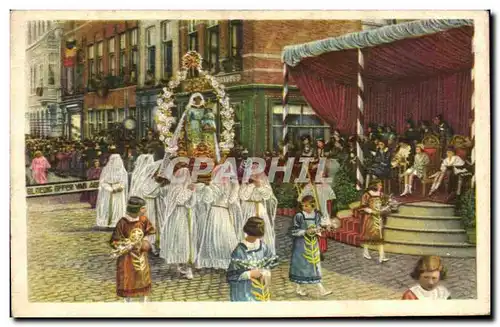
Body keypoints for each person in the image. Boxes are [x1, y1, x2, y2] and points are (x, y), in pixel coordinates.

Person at [196, 164, 242, 270]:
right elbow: (232, 201)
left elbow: (207, 200)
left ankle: (219, 258)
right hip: (223, 211)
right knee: (221, 234)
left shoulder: (214, 185)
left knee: (217, 235)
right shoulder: (229, 185)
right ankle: (222, 258)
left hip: (216, 211)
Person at [110, 196, 155, 303]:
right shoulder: (123, 222)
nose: (145, 210)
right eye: (143, 208)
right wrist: (125, 246)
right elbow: (114, 241)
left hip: (140, 256)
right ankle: (127, 303)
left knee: (142, 278)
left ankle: (144, 302)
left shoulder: (143, 220)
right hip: (127, 259)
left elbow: (150, 233)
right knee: (128, 279)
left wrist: (145, 243)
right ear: (136, 209)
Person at [226, 217, 279, 302]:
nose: (254, 239)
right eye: (252, 236)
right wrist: (249, 274)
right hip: (244, 289)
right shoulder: (239, 250)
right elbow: (231, 276)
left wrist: (265, 272)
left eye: (256, 237)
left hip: (260, 287)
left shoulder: (263, 247)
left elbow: (270, 262)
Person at [289, 195, 332, 297]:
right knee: (301, 266)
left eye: (307, 206)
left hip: (313, 244)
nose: (305, 208)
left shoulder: (316, 215)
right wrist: (305, 231)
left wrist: (319, 230)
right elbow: (293, 231)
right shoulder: (299, 216)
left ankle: (321, 289)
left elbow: (318, 226)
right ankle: (299, 288)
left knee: (314, 265)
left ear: (313, 205)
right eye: (303, 206)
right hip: (301, 245)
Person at [160, 167, 198, 280]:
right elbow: (180, 200)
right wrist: (189, 191)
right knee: (180, 239)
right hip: (178, 215)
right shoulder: (175, 188)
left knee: (187, 240)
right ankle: (183, 265)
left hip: (187, 214)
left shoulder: (186, 187)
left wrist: (192, 193)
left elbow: (192, 202)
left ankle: (185, 265)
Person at [239, 163, 278, 254]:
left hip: (259, 208)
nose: (255, 175)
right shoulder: (246, 183)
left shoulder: (263, 182)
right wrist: (252, 185)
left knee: (261, 229)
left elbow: (267, 196)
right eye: (252, 172)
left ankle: (263, 252)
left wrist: (259, 186)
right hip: (247, 208)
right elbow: (243, 196)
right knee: (247, 229)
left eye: (257, 172)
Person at [297, 172, 336, 261]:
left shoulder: (327, 187)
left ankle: (320, 251)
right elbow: (301, 201)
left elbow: (330, 202)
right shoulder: (308, 187)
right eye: (319, 176)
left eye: (323, 176)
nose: (321, 178)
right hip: (310, 214)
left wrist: (328, 215)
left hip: (323, 214)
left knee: (321, 232)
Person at [138, 160, 169, 255]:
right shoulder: (146, 181)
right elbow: (149, 192)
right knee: (152, 224)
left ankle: (161, 245)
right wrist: (159, 184)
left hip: (160, 206)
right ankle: (152, 245)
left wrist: (164, 185)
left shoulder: (157, 181)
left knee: (161, 223)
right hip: (150, 206)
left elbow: (163, 193)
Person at [359, 179, 390, 264]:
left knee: (380, 236)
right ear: (374, 185)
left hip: (379, 218)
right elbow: (363, 206)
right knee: (368, 235)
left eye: (381, 185)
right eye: (379, 185)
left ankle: (381, 255)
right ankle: (366, 251)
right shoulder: (367, 195)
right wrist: (371, 211)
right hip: (369, 218)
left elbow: (385, 204)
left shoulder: (381, 195)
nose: (381, 187)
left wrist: (385, 208)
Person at [95, 154, 128, 228]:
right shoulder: (106, 170)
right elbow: (102, 182)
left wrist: (121, 187)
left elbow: (124, 180)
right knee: (108, 206)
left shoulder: (122, 170)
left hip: (118, 191)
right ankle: (106, 221)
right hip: (108, 191)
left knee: (117, 207)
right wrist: (110, 189)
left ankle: (117, 221)